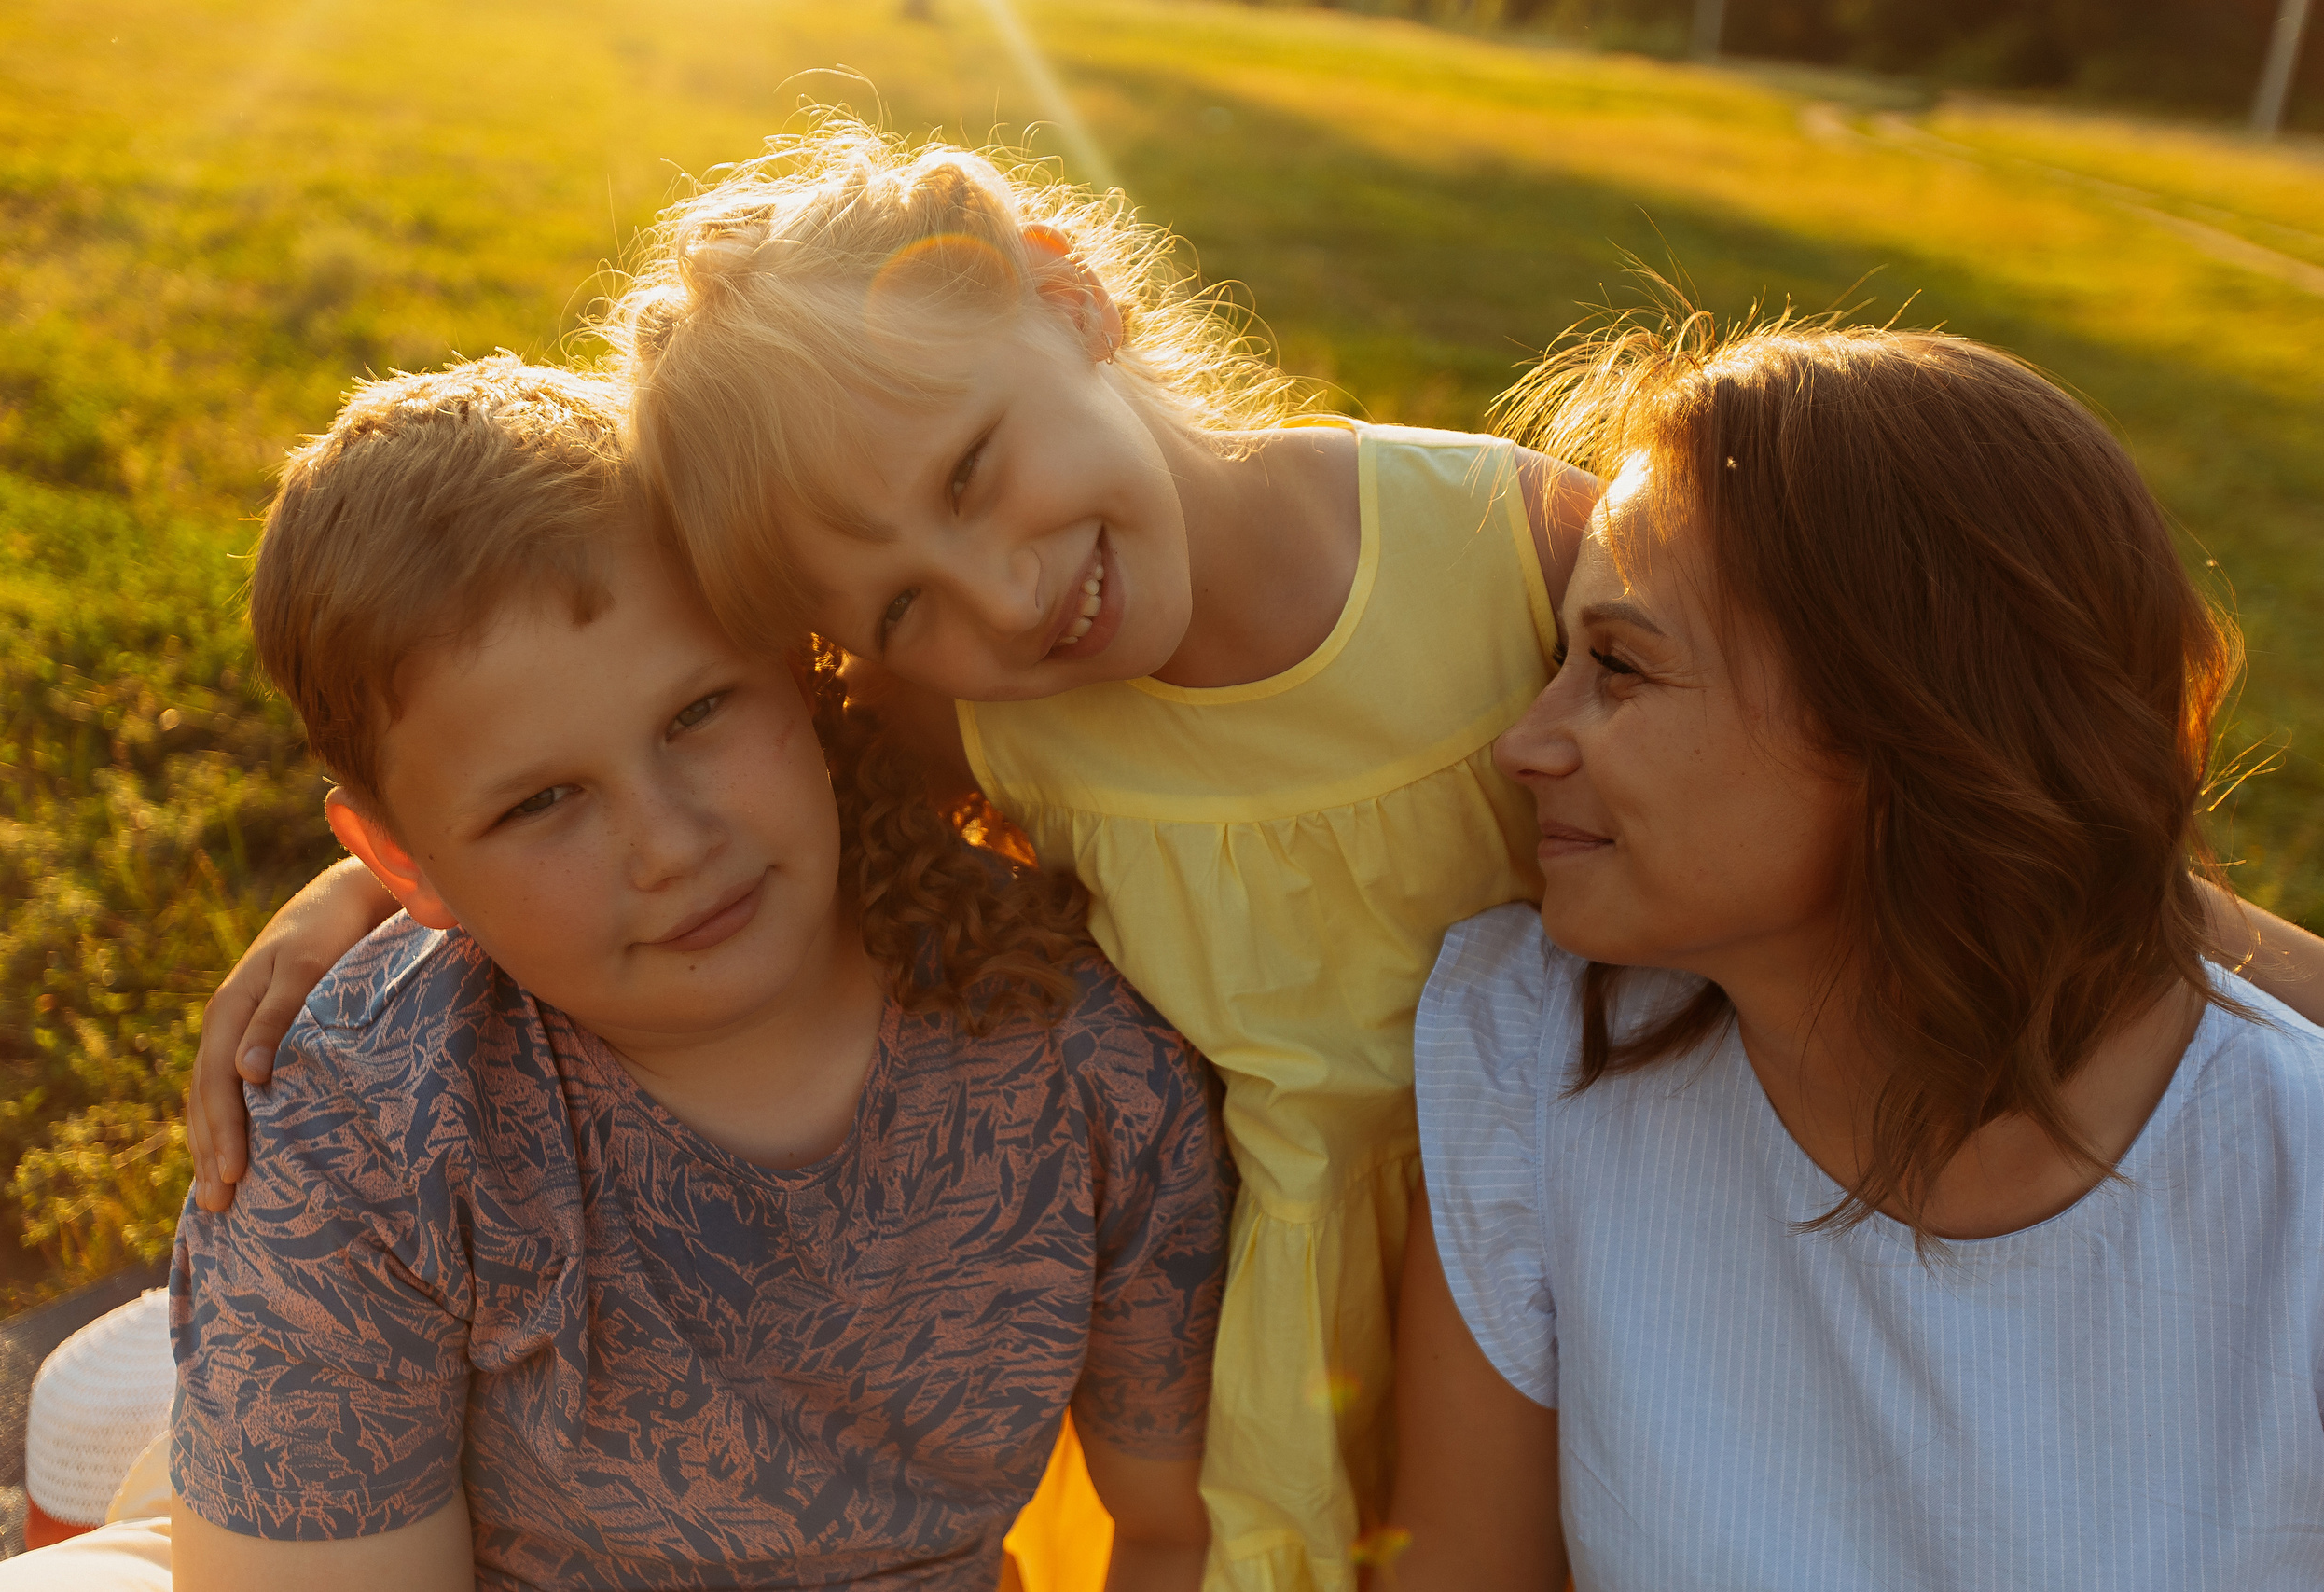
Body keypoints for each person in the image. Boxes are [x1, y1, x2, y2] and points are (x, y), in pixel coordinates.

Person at [187, 127, 2324, 1592]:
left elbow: (1828, 712)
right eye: (903, 600)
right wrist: (379, 886)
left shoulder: (1505, 546)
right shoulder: (983, 708)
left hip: (1601, 1206)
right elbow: (663, 741)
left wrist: (2194, 932)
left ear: (1066, 287)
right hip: (1267, 1292)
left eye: (975, 470)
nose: (996, 589)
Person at [152, 355, 1228, 1592]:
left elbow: (1169, 1530)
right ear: (404, 862)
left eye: (700, 712)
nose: (672, 844)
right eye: (543, 802)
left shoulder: (1083, 1052)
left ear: (800, 668)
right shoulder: (364, 1134)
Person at [1393, 313, 2324, 1588]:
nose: (1528, 744)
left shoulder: (2292, 1184)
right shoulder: (1530, 1058)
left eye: (1618, 669)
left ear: (1908, 720)